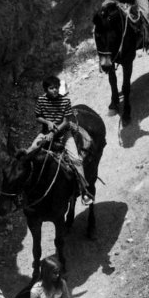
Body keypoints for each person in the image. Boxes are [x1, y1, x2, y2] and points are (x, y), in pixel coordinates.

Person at [28, 74, 92, 203]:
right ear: (46, 90)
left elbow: (66, 121)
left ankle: (84, 190)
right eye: (52, 88)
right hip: (45, 133)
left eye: (56, 87)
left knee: (75, 160)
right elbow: (37, 116)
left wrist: (54, 131)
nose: (55, 90)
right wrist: (47, 122)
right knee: (29, 153)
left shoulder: (65, 101)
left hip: (63, 134)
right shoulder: (41, 100)